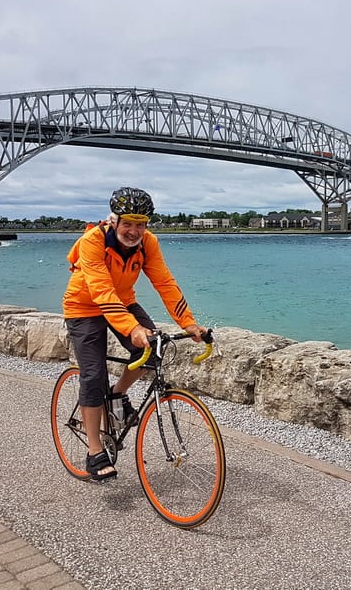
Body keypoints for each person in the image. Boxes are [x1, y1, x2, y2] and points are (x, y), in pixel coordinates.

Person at [63, 186, 207, 481]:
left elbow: (164, 282)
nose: (133, 231)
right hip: (83, 306)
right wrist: (132, 328)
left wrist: (188, 324)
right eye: (127, 223)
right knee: (93, 376)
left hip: (124, 300)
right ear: (113, 220)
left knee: (152, 352)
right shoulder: (93, 241)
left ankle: (117, 394)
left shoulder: (148, 243)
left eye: (139, 224)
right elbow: (101, 291)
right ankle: (94, 451)